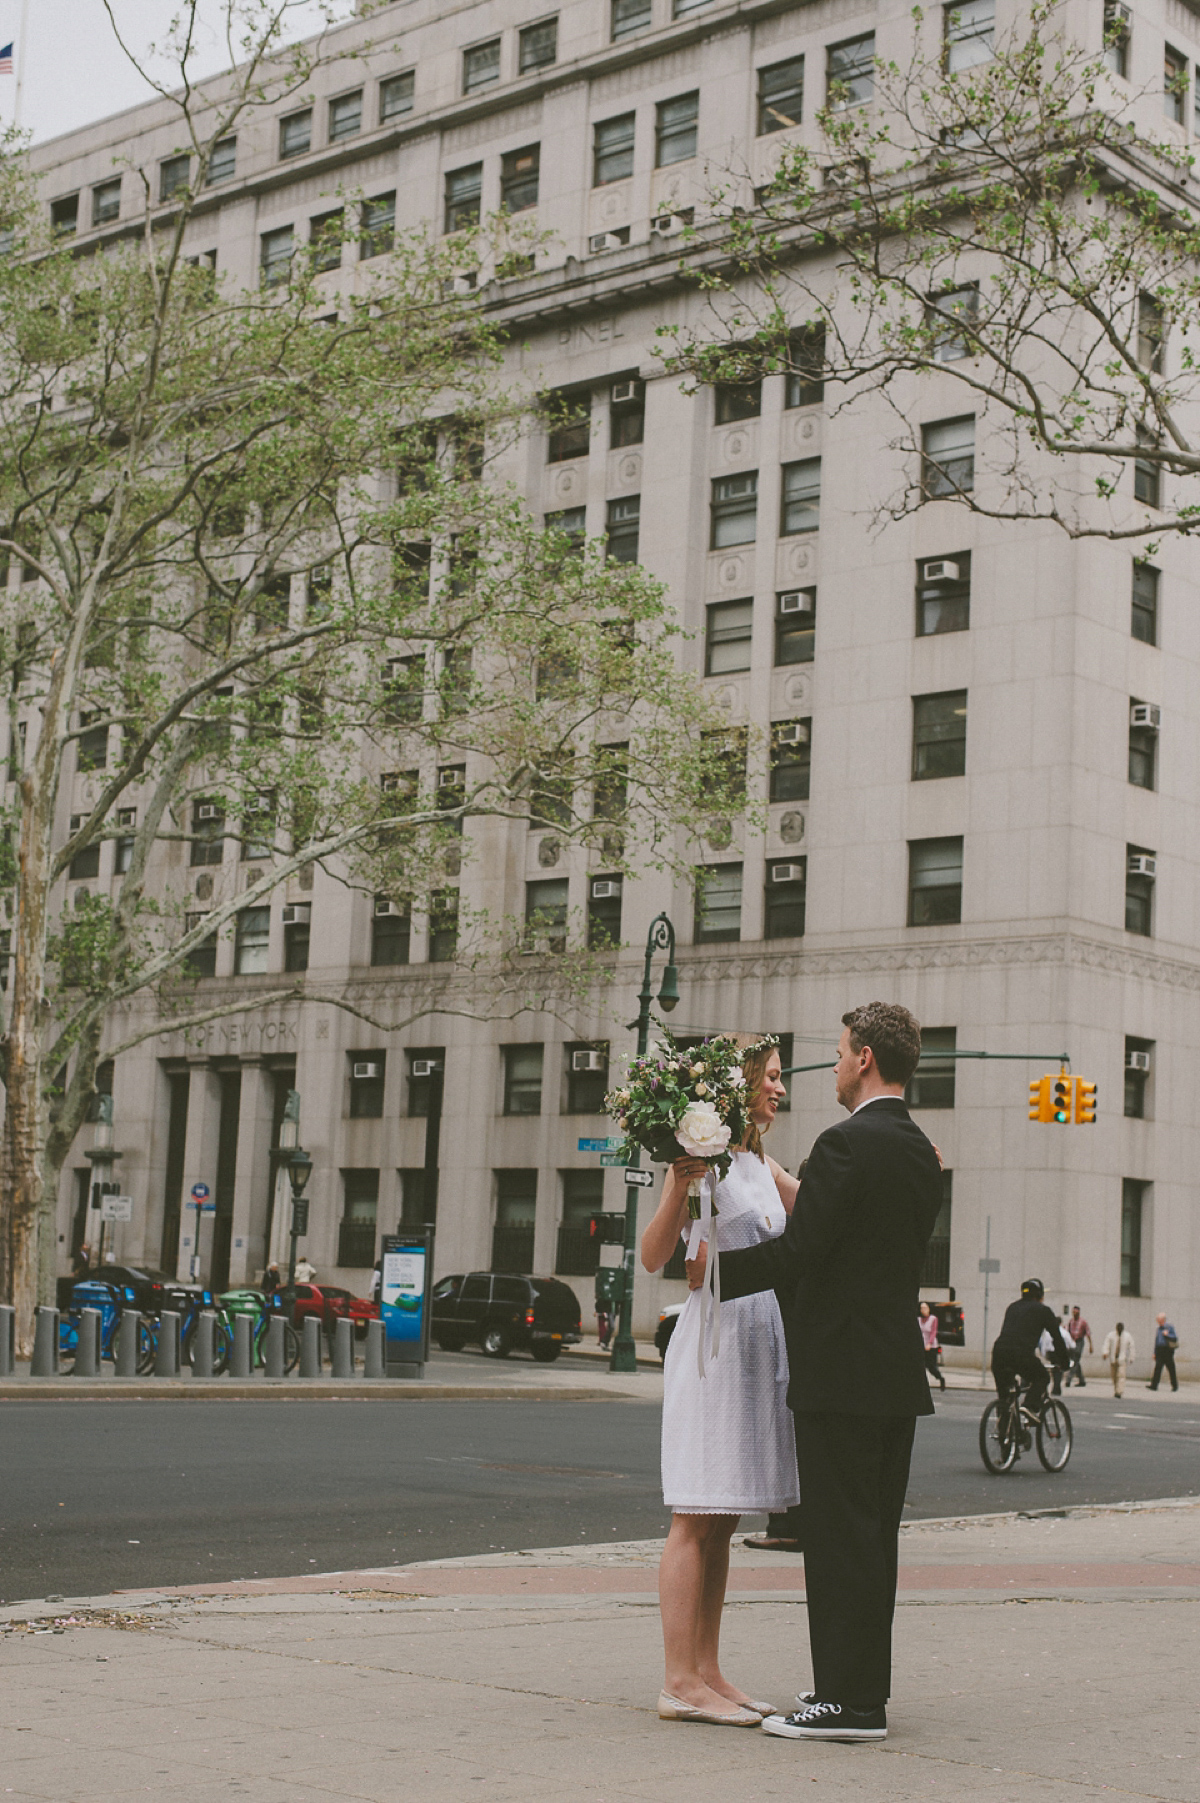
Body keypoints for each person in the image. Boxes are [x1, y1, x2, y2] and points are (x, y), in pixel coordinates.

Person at [693, 1001, 942, 1745]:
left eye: (838, 1052)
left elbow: (803, 1254)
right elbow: (860, 1241)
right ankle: (857, 1686)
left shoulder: (843, 1145)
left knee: (837, 1539)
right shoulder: (920, 1149)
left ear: (865, 1056)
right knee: (873, 1539)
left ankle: (849, 1704)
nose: (832, 1066)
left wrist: (714, 1275)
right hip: (894, 1371)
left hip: (841, 1371)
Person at [640, 1034, 798, 1729]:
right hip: (714, 1345)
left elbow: (821, 1203)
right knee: (695, 1510)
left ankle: (709, 1667)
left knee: (724, 1515)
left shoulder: (759, 1159)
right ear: (739, 1085)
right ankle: (678, 1678)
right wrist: (680, 1184)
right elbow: (654, 1257)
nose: (781, 1088)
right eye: (771, 1075)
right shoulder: (701, 1164)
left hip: (756, 1345)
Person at [991, 1279, 1071, 1421]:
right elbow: (1057, 1339)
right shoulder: (1043, 1310)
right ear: (1040, 1295)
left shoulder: (1012, 1307)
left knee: (1005, 1399)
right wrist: (1064, 1362)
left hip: (999, 1353)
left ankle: (1004, 1433)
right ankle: (1029, 1406)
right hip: (1021, 1354)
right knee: (1042, 1377)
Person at [1101, 1320, 1135, 1397]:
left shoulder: (1127, 1336)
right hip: (1113, 1359)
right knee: (1114, 1376)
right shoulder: (1111, 1335)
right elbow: (1106, 1344)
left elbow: (1131, 1347)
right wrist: (1105, 1352)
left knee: (1121, 1375)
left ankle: (1119, 1391)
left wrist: (1131, 1357)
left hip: (1122, 1359)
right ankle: (1116, 1388)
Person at [1148, 1314, 1179, 1392]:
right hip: (1160, 1350)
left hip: (1167, 1350)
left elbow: (1175, 1337)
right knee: (1158, 1368)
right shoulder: (1158, 1329)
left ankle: (1174, 1385)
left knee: (1171, 1368)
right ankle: (1154, 1385)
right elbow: (1157, 1341)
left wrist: (1167, 1334)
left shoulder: (1169, 1327)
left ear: (1163, 1320)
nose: (1157, 1321)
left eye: (1158, 1319)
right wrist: (1154, 1353)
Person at [919, 1302, 945, 1391]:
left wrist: (929, 1343)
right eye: (922, 1308)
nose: (923, 1310)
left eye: (925, 1308)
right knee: (921, 1366)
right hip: (921, 1345)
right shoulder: (918, 1319)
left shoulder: (933, 1319)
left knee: (931, 1366)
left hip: (931, 1346)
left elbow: (933, 1332)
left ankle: (941, 1379)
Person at [1065, 1305, 1092, 1386]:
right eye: (1073, 1312)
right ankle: (1082, 1380)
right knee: (1075, 1361)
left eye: (1076, 1312)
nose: (1074, 1314)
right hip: (1072, 1341)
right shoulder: (1071, 1321)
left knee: (1075, 1359)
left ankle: (1068, 1379)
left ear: (1079, 1312)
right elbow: (1068, 1332)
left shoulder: (1083, 1322)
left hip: (1079, 1341)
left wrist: (1091, 1345)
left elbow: (1088, 1333)